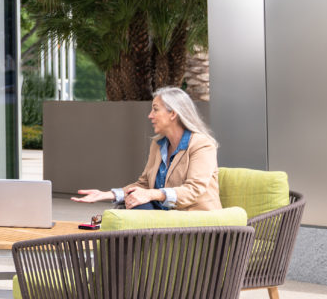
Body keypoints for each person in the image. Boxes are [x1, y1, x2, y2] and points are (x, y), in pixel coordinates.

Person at [72, 87, 221, 211]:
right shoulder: (158, 145)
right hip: (166, 217)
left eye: (155, 110)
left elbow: (193, 190)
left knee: (136, 208)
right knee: (131, 204)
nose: (150, 116)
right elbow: (143, 185)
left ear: (173, 114)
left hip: (196, 220)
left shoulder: (202, 145)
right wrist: (107, 194)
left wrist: (152, 194)